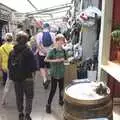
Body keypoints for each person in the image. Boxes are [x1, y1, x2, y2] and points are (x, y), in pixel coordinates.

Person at [8, 31, 37, 120]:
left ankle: (20, 113)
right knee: (29, 97)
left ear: (16, 40)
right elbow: (34, 67)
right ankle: (27, 114)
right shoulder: (29, 52)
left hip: (16, 79)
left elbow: (9, 66)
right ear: (26, 40)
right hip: (28, 78)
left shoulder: (12, 52)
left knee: (18, 96)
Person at [45, 34, 67, 113]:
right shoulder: (52, 50)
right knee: (53, 90)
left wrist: (65, 61)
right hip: (54, 73)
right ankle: (48, 104)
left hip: (61, 73)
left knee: (61, 89)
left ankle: (61, 101)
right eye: (60, 41)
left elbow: (66, 60)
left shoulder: (64, 51)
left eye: (63, 41)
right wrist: (55, 60)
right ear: (56, 41)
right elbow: (46, 59)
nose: (62, 42)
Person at [36, 23, 55, 89]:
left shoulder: (39, 34)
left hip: (42, 54)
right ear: (48, 27)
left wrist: (43, 51)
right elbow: (54, 45)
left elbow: (38, 45)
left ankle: (44, 79)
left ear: (43, 28)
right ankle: (50, 78)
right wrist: (49, 52)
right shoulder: (52, 34)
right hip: (50, 54)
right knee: (50, 66)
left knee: (42, 67)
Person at [0, 33, 14, 105]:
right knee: (14, 83)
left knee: (7, 83)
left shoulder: (1, 47)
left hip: (5, 67)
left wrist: (1, 68)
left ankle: (3, 100)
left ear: (5, 39)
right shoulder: (14, 47)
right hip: (12, 67)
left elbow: (0, 59)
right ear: (12, 39)